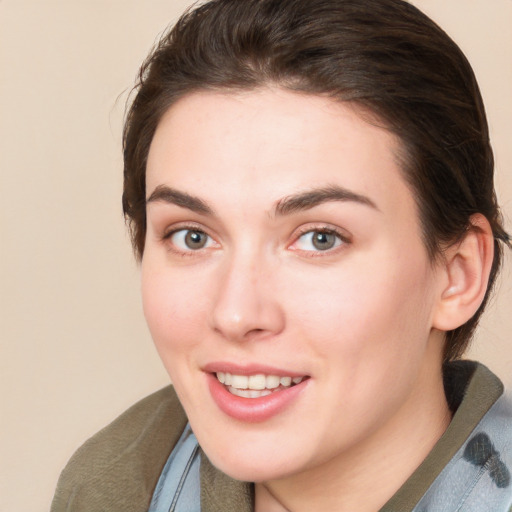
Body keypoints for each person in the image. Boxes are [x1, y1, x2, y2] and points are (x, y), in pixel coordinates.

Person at [50, 0, 512, 510]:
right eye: (192, 236)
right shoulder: (112, 488)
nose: (236, 314)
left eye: (320, 238)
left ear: (458, 273)